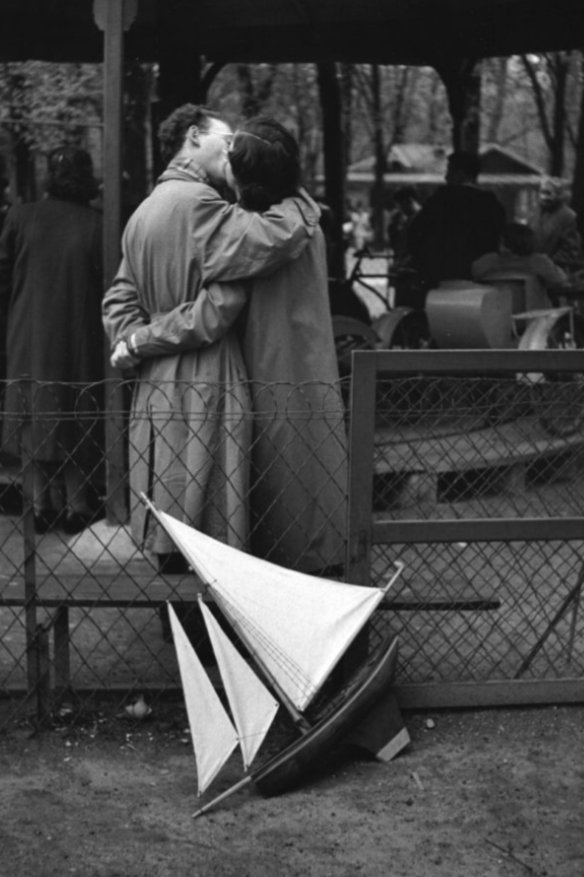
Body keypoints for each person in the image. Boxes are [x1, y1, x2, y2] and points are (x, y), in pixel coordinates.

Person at [109, 116, 348, 576]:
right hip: (209, 377)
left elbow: (120, 295)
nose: (229, 147)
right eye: (225, 136)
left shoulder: (143, 211)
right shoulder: (212, 209)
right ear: (194, 137)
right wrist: (303, 204)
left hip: (155, 382)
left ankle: (182, 621)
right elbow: (225, 297)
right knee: (215, 508)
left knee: (173, 500)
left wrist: (131, 338)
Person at [0, 147, 104, 534]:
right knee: (74, 414)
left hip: (28, 330)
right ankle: (77, 503)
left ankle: (40, 504)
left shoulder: (21, 217)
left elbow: (3, 273)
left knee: (31, 415)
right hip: (78, 334)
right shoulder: (96, 225)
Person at [408, 150, 506, 289]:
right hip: (479, 278)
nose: (445, 177)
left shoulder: (438, 201)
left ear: (460, 174)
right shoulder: (490, 204)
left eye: (449, 171)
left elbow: (415, 235)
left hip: (439, 277)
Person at [471, 221, 567, 309]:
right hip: (534, 317)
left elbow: (474, 274)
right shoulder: (537, 261)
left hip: (495, 316)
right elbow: (560, 279)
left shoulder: (488, 261)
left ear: (504, 242)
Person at [530, 176, 583, 274]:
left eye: (548, 193)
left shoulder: (568, 216)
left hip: (554, 273)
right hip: (532, 269)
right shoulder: (536, 212)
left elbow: (570, 251)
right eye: (542, 192)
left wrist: (549, 264)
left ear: (559, 195)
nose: (544, 197)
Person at [387, 185, 421, 265]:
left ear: (409, 201)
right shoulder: (406, 219)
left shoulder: (419, 219)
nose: (400, 209)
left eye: (400, 205)